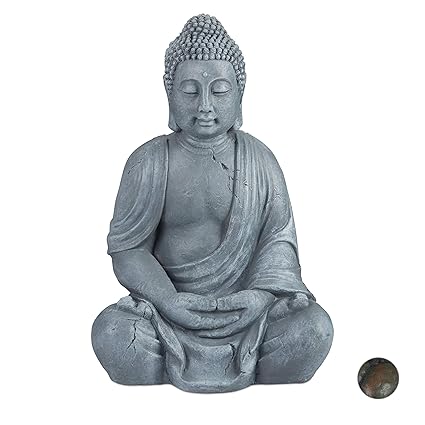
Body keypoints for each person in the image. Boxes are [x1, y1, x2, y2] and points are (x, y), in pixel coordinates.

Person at [92, 14, 333, 393]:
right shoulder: (149, 161)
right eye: (190, 92)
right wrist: (167, 300)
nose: (205, 105)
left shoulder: (260, 159)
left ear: (239, 94)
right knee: (112, 332)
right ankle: (165, 355)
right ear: (169, 94)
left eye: (219, 91)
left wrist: (259, 297)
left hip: (248, 314)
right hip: (168, 313)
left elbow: (278, 241)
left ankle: (257, 355)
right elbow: (128, 249)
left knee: (314, 329)